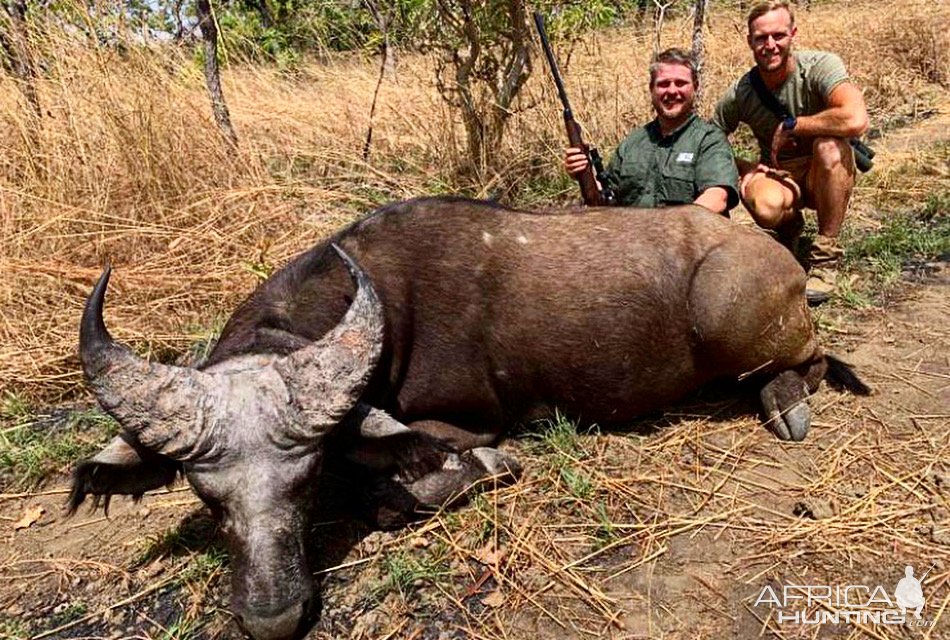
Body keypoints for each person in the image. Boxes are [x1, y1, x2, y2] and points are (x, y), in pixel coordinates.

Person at [713, 0, 869, 303]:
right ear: (749, 41)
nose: (770, 45)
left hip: (821, 173)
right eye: (760, 38)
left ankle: (825, 257)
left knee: (830, 148)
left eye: (778, 36)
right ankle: (789, 228)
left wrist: (796, 125)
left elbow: (856, 118)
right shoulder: (740, 92)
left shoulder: (821, 66)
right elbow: (708, 140)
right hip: (779, 175)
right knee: (764, 204)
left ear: (792, 34)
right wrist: (745, 168)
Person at [564, 48, 739, 216]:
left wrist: (666, 231)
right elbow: (606, 198)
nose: (672, 91)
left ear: (695, 87)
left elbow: (717, 198)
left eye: (680, 83)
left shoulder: (709, 139)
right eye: (663, 84)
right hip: (634, 241)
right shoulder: (632, 143)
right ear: (651, 89)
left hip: (690, 242)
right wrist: (583, 173)